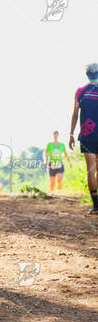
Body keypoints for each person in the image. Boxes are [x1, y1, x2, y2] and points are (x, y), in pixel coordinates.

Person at [69, 62, 98, 214]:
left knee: (91, 170)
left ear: (87, 75)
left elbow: (75, 114)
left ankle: (96, 206)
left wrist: (71, 134)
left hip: (87, 135)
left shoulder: (80, 91)